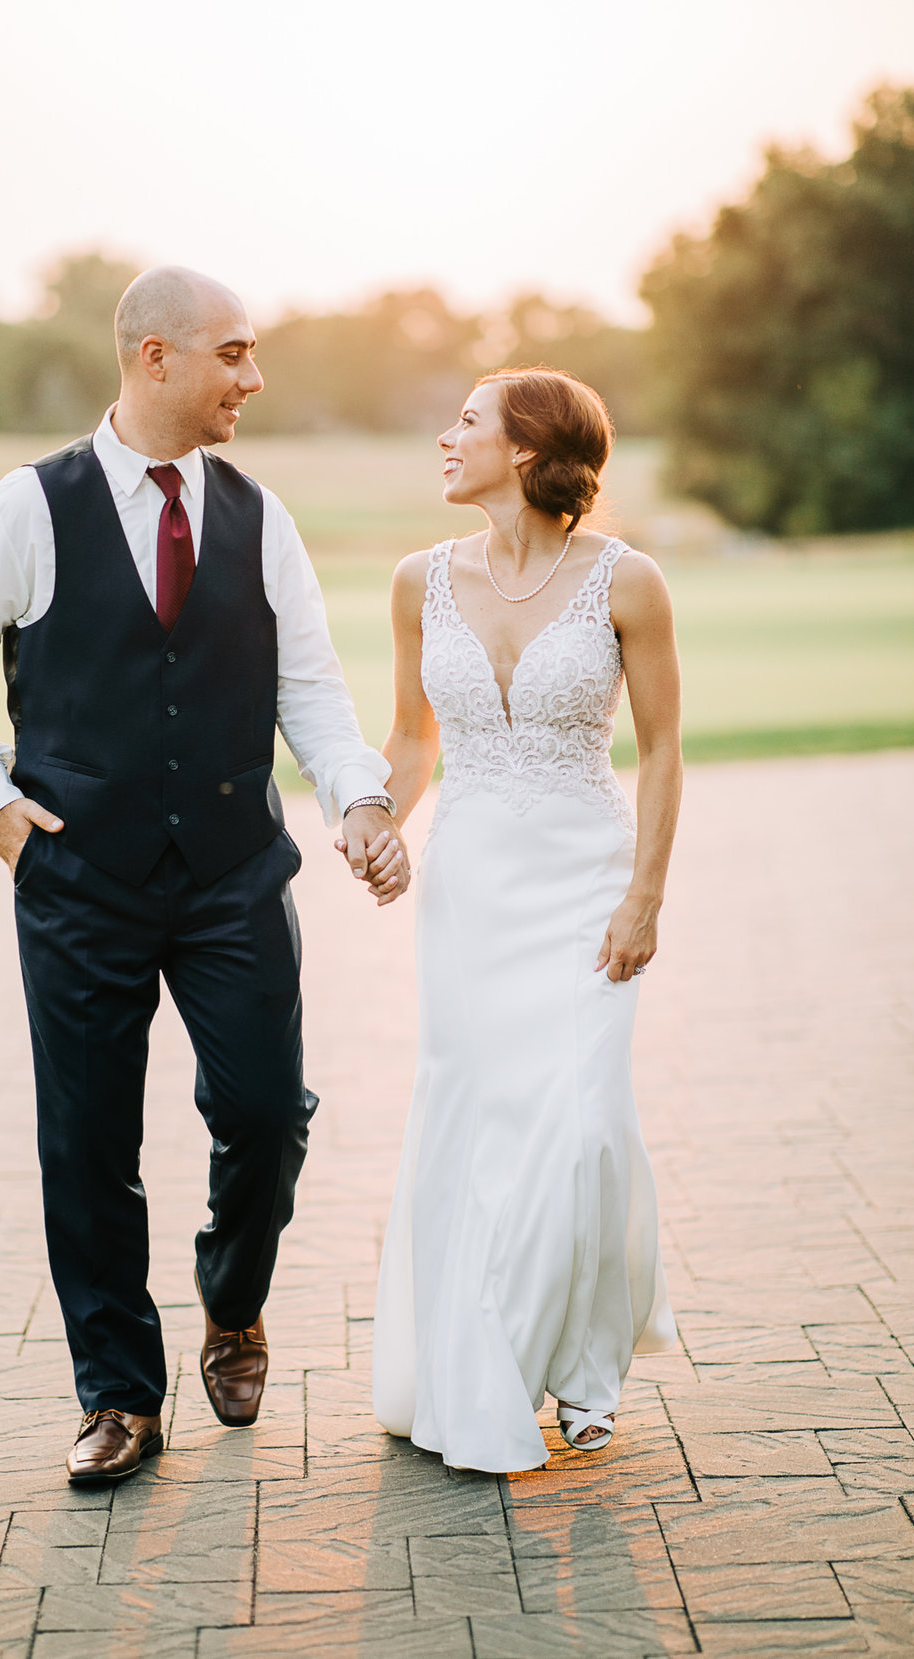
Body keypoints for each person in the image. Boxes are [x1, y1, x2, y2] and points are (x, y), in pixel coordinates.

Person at [0, 265, 407, 1487]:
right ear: (153, 359)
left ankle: (231, 1300)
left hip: (236, 873)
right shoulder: (28, 508)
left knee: (264, 1114)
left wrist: (355, 795)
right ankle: (118, 1396)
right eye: (233, 353)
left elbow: (310, 687)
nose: (253, 377)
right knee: (85, 1143)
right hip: (77, 878)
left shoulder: (260, 515)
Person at [368, 368, 682, 1471]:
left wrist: (644, 894)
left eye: (465, 423)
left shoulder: (626, 582)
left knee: (580, 1120)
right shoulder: (419, 581)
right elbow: (414, 743)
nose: (445, 439)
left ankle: (587, 1366)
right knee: (476, 1113)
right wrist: (378, 817)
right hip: (469, 888)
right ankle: (479, 1360)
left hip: (584, 882)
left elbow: (662, 753)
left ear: (527, 448)